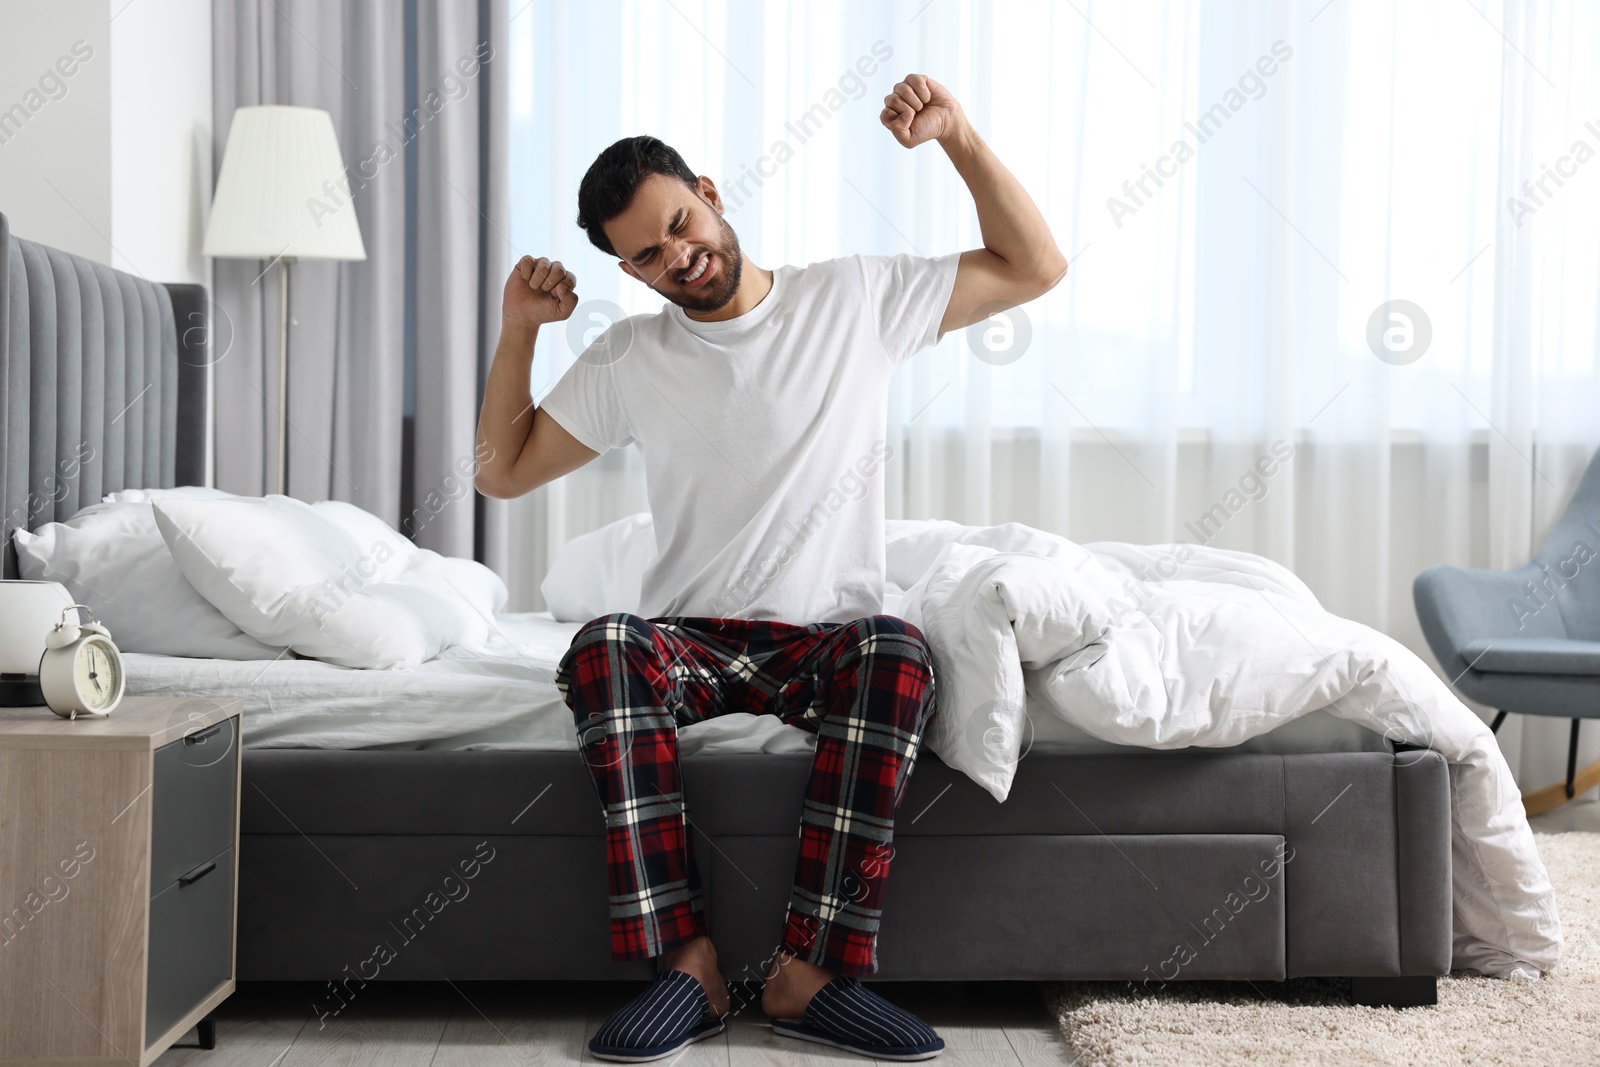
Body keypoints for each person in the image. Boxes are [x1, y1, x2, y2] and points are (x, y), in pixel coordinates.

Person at [474, 72, 1066, 1063]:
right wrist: (518, 332)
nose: (677, 255)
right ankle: (686, 966)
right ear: (632, 271)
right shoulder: (631, 358)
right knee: (604, 647)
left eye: (679, 221)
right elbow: (500, 471)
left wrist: (958, 135)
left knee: (900, 651)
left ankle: (808, 975)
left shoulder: (855, 298)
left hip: (825, 643)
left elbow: (1034, 263)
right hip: (692, 645)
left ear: (707, 189)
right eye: (648, 254)